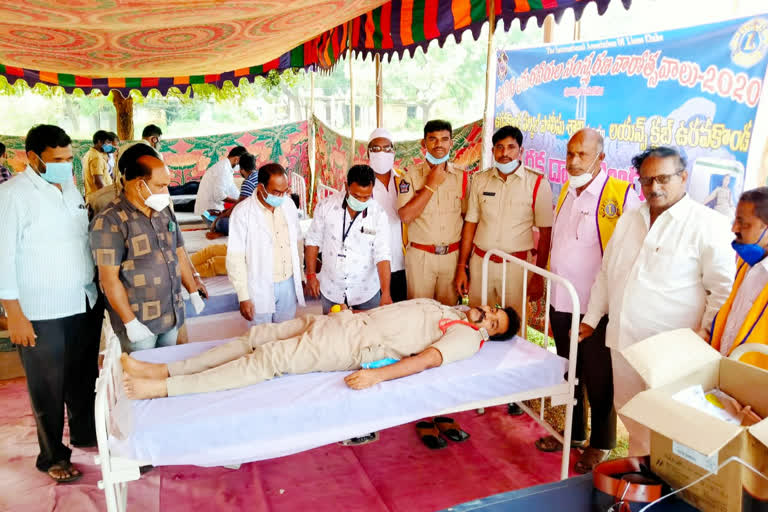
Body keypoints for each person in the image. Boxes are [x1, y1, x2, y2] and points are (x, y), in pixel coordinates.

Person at [578, 146, 734, 456]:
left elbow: (722, 290)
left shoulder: (707, 224)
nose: (654, 187)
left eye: (663, 178)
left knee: (669, 423)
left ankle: (663, 485)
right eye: (646, 180)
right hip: (623, 341)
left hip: (672, 352)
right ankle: (639, 476)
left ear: (684, 177)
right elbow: (607, 273)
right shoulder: (629, 219)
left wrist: (706, 336)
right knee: (632, 414)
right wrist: (591, 319)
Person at [121, 299, 520, 399]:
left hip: (353, 343)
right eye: (494, 310)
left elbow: (426, 360)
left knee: (269, 359)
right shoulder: (451, 308)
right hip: (345, 320)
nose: (489, 314)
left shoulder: (468, 338)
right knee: (255, 337)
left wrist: (376, 375)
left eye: (495, 322)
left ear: (491, 335)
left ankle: (166, 389)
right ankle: (168, 370)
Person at [0, 124, 103, 483]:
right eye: (57, 159)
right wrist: (13, 313)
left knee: (83, 377)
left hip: (82, 301)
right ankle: (52, 456)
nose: (65, 165)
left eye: (69, 158)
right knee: (47, 385)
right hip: (40, 310)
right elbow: (2, 256)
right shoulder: (12, 195)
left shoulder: (70, 188)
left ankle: (86, 435)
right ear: (32, 158)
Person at [535, 128, 640, 473]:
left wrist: (603, 309)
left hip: (597, 309)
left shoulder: (621, 196)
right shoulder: (568, 188)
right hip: (563, 301)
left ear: (601, 158)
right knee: (570, 371)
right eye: (570, 153)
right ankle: (574, 433)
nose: (574, 160)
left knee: (599, 377)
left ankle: (602, 443)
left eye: (583, 154)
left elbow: (629, 255)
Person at [90, 143, 206, 352]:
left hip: (171, 314)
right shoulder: (110, 221)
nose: (166, 191)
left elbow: (178, 250)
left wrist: (193, 289)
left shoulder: (163, 210)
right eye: (160, 186)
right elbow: (109, 279)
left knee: (166, 370)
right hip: (139, 321)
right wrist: (130, 322)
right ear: (139, 185)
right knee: (141, 380)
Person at [454, 125, 553, 323]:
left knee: (514, 327)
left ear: (521, 151)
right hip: (481, 263)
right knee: (477, 322)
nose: (504, 153)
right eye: (499, 147)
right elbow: (470, 224)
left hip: (516, 267)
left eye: (511, 147)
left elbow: (545, 234)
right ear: (492, 151)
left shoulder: (537, 183)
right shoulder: (480, 180)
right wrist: (462, 266)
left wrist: (538, 275)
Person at [398, 120, 469, 305]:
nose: (439, 144)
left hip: (452, 258)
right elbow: (405, 216)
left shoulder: (462, 177)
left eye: (444, 139)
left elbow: (466, 218)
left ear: (451, 143)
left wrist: (463, 263)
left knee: (449, 314)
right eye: (433, 139)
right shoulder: (411, 175)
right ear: (424, 143)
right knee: (419, 315)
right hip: (421, 258)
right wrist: (431, 184)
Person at [306, 165, 393, 313]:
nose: (361, 201)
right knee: (332, 330)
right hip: (332, 289)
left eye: (366, 196)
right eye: (356, 196)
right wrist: (311, 275)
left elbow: (382, 254)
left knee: (366, 333)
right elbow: (313, 240)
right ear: (346, 186)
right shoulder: (326, 206)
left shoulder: (378, 214)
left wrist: (385, 293)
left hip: (366, 291)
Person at [228, 163, 305, 324]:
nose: (281, 196)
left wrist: (301, 274)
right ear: (261, 187)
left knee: (285, 334)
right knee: (261, 339)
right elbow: (235, 258)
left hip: (287, 283)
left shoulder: (288, 205)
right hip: (259, 285)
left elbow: (297, 241)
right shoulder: (243, 212)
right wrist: (243, 296)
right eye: (276, 192)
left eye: (285, 191)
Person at [710, 187, 768, 370]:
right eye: (736, 220)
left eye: (743, 223)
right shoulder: (746, 265)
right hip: (729, 377)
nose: (734, 228)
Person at [368, 128, 408, 302]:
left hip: (401, 262)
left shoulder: (403, 180)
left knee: (398, 315)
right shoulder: (360, 183)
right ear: (368, 152)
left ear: (393, 152)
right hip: (370, 266)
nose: (382, 152)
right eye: (376, 148)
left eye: (387, 148)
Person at [207, 153, 257, 237]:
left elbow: (238, 207)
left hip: (253, 222)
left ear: (241, 169)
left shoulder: (248, 182)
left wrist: (217, 219)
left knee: (221, 223)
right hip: (257, 218)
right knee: (223, 214)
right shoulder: (259, 176)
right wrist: (226, 211)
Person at [194, 146, 248, 222]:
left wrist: (243, 199)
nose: (241, 167)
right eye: (241, 164)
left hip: (214, 208)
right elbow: (219, 196)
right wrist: (238, 202)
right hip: (209, 212)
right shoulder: (223, 169)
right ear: (237, 159)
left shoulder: (226, 168)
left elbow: (232, 190)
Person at [83, 129, 115, 199]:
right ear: (99, 141)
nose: (109, 145)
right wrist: (106, 198)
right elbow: (98, 182)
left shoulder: (90, 153)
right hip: (99, 198)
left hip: (94, 196)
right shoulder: (96, 158)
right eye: (108, 142)